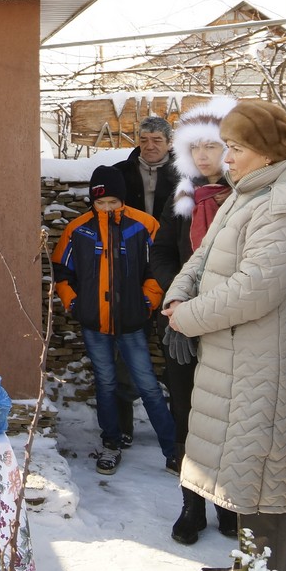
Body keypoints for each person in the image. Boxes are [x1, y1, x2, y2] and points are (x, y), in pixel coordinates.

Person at [163, 100, 286, 571]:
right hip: (235, 357)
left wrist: (187, 317)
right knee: (241, 479)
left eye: (235, 147)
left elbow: (253, 290)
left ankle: (271, 567)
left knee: (262, 484)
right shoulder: (246, 193)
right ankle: (249, 564)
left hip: (266, 365)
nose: (227, 158)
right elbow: (201, 257)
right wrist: (177, 298)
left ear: (265, 151)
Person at [151, 96, 239, 545]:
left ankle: (226, 502)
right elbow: (162, 251)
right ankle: (192, 506)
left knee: (226, 418)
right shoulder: (183, 196)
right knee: (186, 413)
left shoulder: (249, 198)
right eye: (196, 147)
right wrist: (178, 297)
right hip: (184, 322)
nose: (204, 156)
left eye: (213, 145)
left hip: (235, 326)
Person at [51, 165, 176, 475]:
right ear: (92, 201)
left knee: (147, 385)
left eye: (112, 202)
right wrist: (76, 304)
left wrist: (147, 301)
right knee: (105, 384)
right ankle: (110, 443)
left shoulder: (144, 226)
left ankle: (174, 451)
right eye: (100, 202)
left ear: (122, 200)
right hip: (95, 324)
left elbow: (159, 268)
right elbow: (62, 271)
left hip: (133, 322)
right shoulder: (78, 229)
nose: (106, 208)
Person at [110, 114, 180, 442]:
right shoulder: (122, 173)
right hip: (129, 267)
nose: (150, 146)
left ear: (169, 143)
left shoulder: (184, 175)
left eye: (158, 141)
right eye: (145, 140)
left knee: (176, 341)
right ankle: (122, 424)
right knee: (127, 339)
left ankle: (181, 422)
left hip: (172, 267)